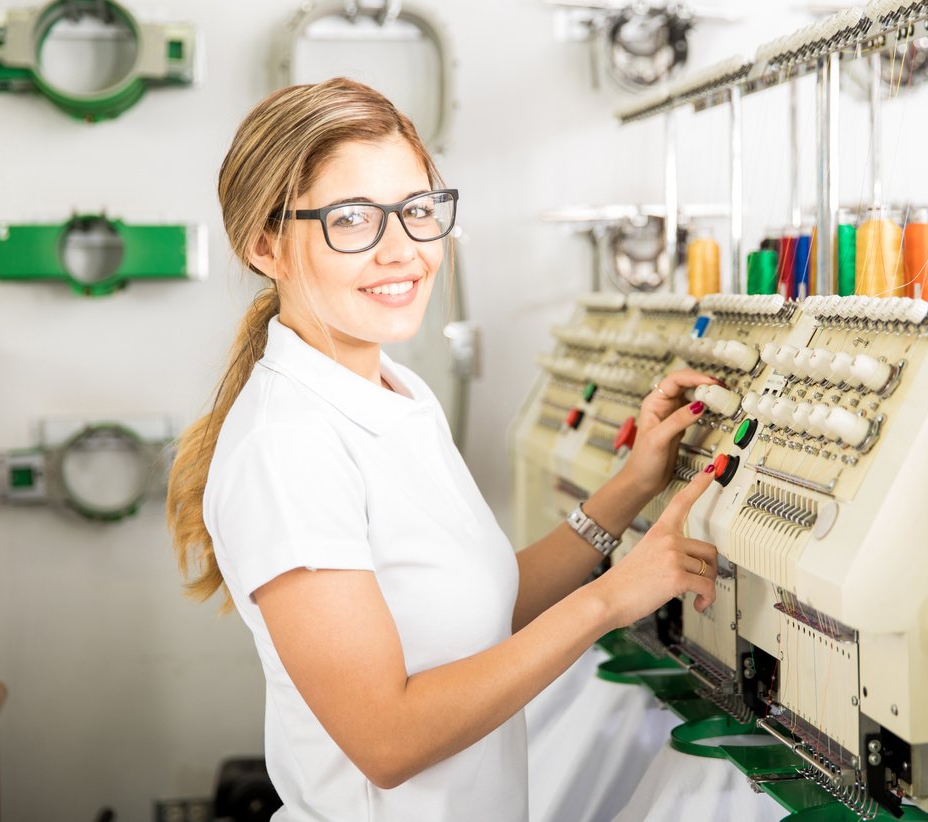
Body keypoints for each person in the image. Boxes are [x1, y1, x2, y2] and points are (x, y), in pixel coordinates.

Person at [166, 77, 721, 821]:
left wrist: (630, 487)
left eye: (417, 210)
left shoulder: (397, 391)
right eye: (353, 219)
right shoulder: (287, 446)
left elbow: (474, 609)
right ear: (266, 246)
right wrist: (610, 601)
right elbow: (387, 741)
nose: (403, 251)